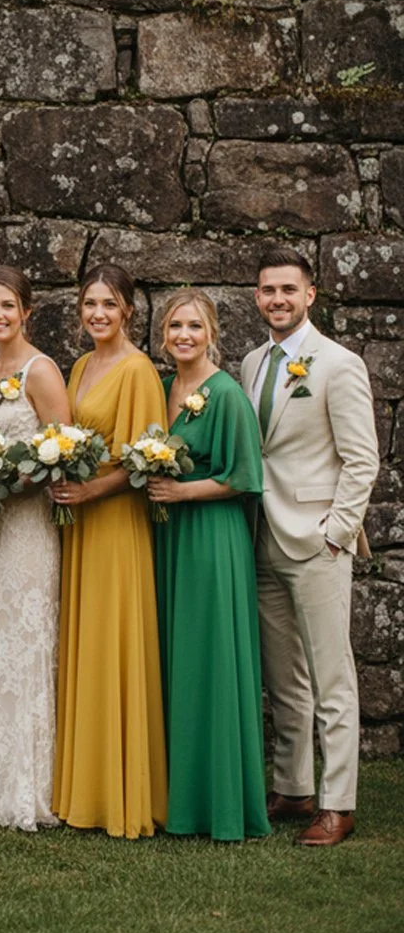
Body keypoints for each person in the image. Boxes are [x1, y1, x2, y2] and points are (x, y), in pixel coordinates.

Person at [242, 246, 380, 848]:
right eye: (268, 290)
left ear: (310, 295)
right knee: (284, 679)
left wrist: (337, 531)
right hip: (262, 538)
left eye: (288, 291)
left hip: (318, 541)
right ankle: (294, 787)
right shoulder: (251, 362)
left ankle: (338, 803)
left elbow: (361, 458)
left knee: (331, 677)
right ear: (257, 297)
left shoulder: (338, 363)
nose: (278, 300)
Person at [51, 263, 168, 839]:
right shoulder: (78, 367)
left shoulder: (138, 369)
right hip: (79, 523)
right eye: (90, 304)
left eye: (109, 304)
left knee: (112, 642)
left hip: (116, 521)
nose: (98, 313)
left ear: (128, 311)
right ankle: (83, 787)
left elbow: (144, 459)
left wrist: (90, 488)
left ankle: (120, 793)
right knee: (85, 642)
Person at [149, 289, 269, 841]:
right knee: (181, 662)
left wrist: (182, 492)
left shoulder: (226, 395)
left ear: (211, 331)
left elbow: (244, 477)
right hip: (172, 539)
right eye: (175, 327)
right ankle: (182, 797)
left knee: (212, 661)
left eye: (194, 326)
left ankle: (221, 805)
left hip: (212, 540)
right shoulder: (168, 387)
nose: (183, 336)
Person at [0, 266, 69, 831]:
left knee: (24, 651)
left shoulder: (41, 370)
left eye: (7, 306)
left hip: (26, 532)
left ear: (27, 310)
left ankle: (28, 789)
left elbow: (62, 452)